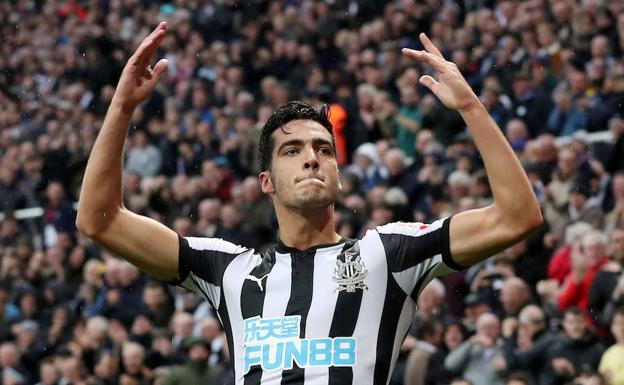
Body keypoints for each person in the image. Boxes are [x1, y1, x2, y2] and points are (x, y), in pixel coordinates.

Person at [76, 23, 543, 384]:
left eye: (323, 149)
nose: (312, 159)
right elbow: (101, 221)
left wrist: (470, 108)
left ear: (338, 173)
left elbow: (517, 217)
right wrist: (121, 109)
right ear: (266, 182)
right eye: (292, 151)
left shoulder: (388, 254)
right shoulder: (229, 270)